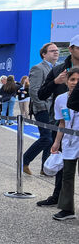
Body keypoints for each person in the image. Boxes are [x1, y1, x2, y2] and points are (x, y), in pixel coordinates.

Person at [37, 35, 79, 206]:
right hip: (64, 122)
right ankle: (58, 197)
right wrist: (55, 82)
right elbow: (41, 94)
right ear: (71, 49)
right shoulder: (58, 70)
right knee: (64, 163)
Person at [23, 42, 59, 177]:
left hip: (55, 110)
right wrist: (42, 107)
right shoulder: (38, 68)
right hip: (42, 108)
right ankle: (24, 160)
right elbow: (33, 91)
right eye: (52, 51)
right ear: (44, 54)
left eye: (57, 50)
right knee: (47, 138)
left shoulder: (58, 68)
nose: (56, 52)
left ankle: (45, 168)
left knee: (53, 138)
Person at [50, 68, 79, 220]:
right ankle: (67, 209)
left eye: (78, 80)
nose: (75, 83)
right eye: (72, 79)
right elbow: (62, 122)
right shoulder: (60, 99)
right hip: (69, 141)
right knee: (67, 175)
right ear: (67, 81)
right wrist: (56, 143)